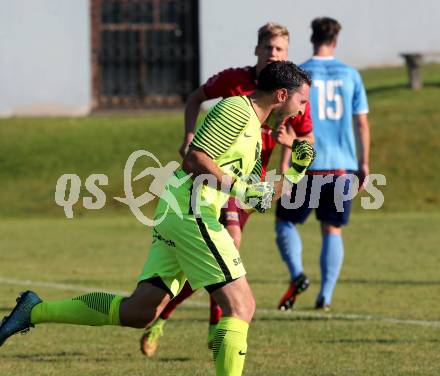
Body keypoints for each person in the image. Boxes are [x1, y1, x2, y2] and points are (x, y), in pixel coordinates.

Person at [0, 61, 316, 376]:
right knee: (242, 305)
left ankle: (34, 310)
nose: (303, 109)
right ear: (280, 94)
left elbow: (254, 200)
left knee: (140, 311)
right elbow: (195, 158)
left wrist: (295, 172)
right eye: (302, 100)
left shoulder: (256, 134)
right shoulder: (237, 109)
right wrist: (240, 187)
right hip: (191, 210)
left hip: (184, 210)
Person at [140, 22, 314, 357]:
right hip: (213, 187)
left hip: (242, 185)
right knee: (230, 252)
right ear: (257, 50)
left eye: (279, 50)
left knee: (214, 263)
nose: (272, 54)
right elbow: (195, 103)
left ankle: (184, 321)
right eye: (268, 48)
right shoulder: (237, 92)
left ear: (286, 56)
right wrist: (190, 137)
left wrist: (292, 159)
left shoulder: (291, 94)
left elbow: (302, 142)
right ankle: (216, 329)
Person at [275, 17, 370, 311]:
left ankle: (297, 274)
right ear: (336, 41)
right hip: (341, 167)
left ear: (312, 37)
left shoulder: (301, 76)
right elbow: (362, 123)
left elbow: (290, 123)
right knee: (332, 229)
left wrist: (285, 169)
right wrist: (364, 164)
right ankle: (325, 296)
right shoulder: (351, 75)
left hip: (305, 163)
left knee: (286, 222)